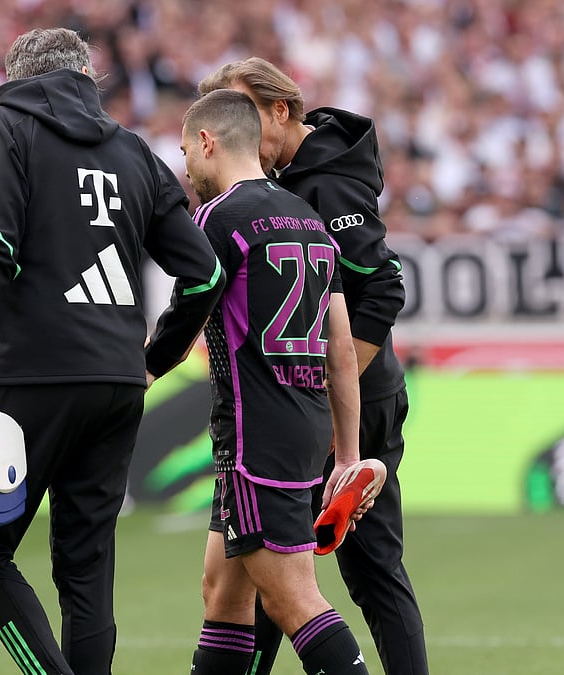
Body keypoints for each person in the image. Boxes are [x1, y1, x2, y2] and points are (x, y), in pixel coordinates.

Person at [0, 28, 224, 675]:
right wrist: (155, 358)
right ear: (87, 75)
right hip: (118, 381)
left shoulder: (7, 128)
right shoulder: (135, 152)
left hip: (37, 375)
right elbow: (205, 275)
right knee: (86, 565)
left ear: (16, 77)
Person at [199, 58, 428, 674]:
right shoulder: (283, 179)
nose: (240, 131)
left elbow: (383, 289)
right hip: (305, 401)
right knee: (268, 571)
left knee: (365, 570)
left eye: (248, 113)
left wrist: (331, 396)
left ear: (280, 109)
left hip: (349, 399)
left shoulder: (328, 185)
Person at [147, 88, 370, 674]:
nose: (186, 168)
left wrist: (142, 369)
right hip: (303, 425)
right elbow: (342, 350)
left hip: (253, 439)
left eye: (185, 152)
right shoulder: (310, 221)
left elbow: (188, 310)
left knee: (293, 597)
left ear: (207, 142)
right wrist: (347, 453)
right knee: (223, 594)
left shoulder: (214, 220)